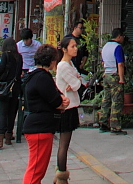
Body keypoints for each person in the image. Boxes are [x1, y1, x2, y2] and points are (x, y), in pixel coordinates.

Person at [22, 44, 69, 184]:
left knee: (37, 169)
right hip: (39, 129)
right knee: (36, 171)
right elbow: (55, 100)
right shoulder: (42, 77)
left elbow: (56, 96)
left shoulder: (35, 75)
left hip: (39, 127)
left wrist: (61, 99)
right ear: (52, 61)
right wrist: (61, 102)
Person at [55, 36, 82, 183]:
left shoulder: (69, 63)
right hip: (66, 107)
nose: (75, 48)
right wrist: (76, 81)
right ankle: (61, 176)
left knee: (65, 143)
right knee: (64, 144)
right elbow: (77, 83)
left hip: (71, 106)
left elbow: (78, 79)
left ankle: (60, 173)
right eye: (72, 46)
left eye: (75, 46)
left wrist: (76, 80)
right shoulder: (63, 66)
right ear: (64, 49)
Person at [0, 37, 23, 149]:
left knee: (3, 113)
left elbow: (1, 69)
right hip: (15, 88)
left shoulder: (5, 55)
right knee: (12, 112)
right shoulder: (19, 57)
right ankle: (9, 136)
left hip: (5, 88)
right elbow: (18, 73)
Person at [99, 27, 127, 135]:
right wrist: (121, 78)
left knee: (106, 99)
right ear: (119, 36)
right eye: (122, 36)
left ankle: (103, 123)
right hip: (115, 75)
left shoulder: (105, 46)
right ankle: (115, 127)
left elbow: (102, 62)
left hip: (106, 74)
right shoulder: (118, 47)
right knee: (117, 101)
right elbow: (120, 64)